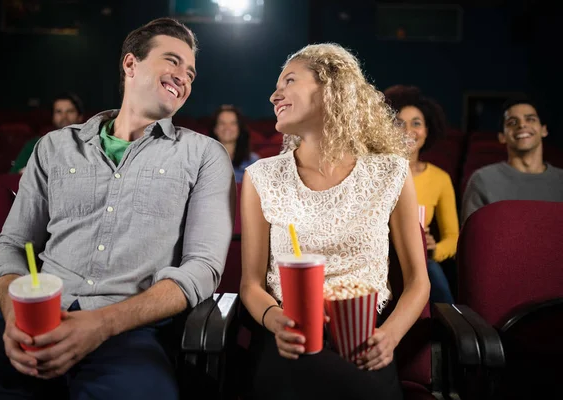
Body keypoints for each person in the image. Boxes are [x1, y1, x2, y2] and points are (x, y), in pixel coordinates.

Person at [0, 17, 235, 400]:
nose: (183, 77)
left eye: (190, 72)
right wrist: (12, 313)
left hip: (130, 334)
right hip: (32, 325)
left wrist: (100, 324)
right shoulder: (54, 147)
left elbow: (202, 268)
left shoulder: (204, 155)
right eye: (172, 61)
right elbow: (11, 246)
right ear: (130, 64)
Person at [240, 43, 430, 399]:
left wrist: (389, 336)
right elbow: (251, 284)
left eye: (289, 80)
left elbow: (419, 281)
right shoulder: (261, 178)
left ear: (331, 88)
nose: (273, 94)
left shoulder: (391, 172)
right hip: (289, 338)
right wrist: (274, 321)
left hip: (365, 339)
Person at [384, 85, 458, 304]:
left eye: (416, 123)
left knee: (431, 272)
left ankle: (449, 332)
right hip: (378, 254)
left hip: (421, 259)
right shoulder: (373, 172)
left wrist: (435, 250)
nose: (408, 130)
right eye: (398, 123)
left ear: (427, 130)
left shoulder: (440, 178)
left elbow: (453, 237)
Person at [461, 96, 563, 223]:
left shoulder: (560, 180)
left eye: (530, 119)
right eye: (512, 122)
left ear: (544, 130)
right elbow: (471, 239)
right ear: (502, 137)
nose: (522, 125)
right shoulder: (482, 180)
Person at [11, 92, 84, 174]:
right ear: (53, 117)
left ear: (80, 117)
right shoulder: (36, 144)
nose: (64, 117)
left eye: (70, 111)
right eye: (59, 112)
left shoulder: (90, 145)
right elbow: (14, 176)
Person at [209, 104, 259, 183]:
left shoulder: (252, 161)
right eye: (222, 123)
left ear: (239, 128)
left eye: (233, 123)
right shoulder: (204, 161)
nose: (227, 128)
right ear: (215, 129)